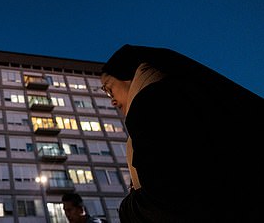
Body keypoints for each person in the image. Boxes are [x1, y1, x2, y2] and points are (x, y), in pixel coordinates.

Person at [100, 44, 263, 222]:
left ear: (128, 75)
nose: (113, 102)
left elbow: (168, 199)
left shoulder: (153, 104)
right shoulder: (195, 93)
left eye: (109, 90)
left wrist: (128, 208)